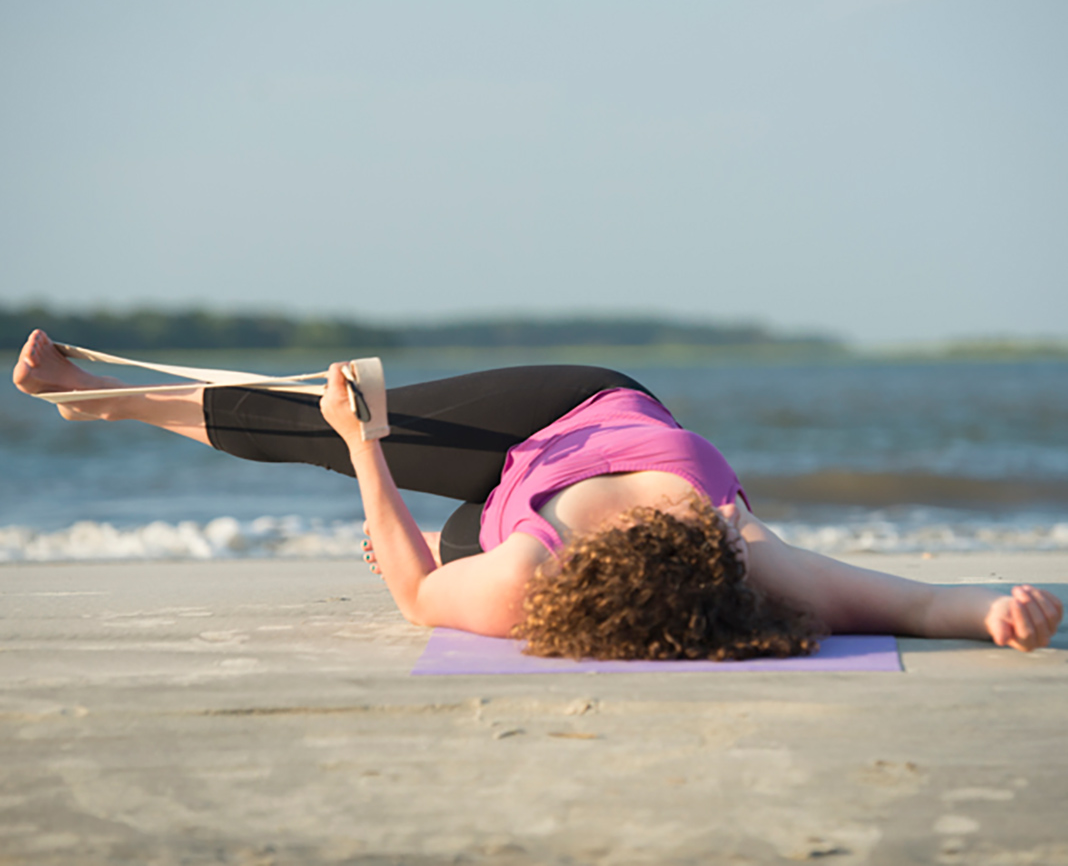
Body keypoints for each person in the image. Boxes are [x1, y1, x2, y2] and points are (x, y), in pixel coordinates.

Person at [12, 329, 1063, 659]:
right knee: (346, 428)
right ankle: (101, 399)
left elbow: (420, 599)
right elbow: (921, 603)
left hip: (500, 518)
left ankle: (103, 401)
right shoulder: (751, 553)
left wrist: (373, 472)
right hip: (575, 411)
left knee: (403, 515)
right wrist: (997, 610)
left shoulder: (528, 574)